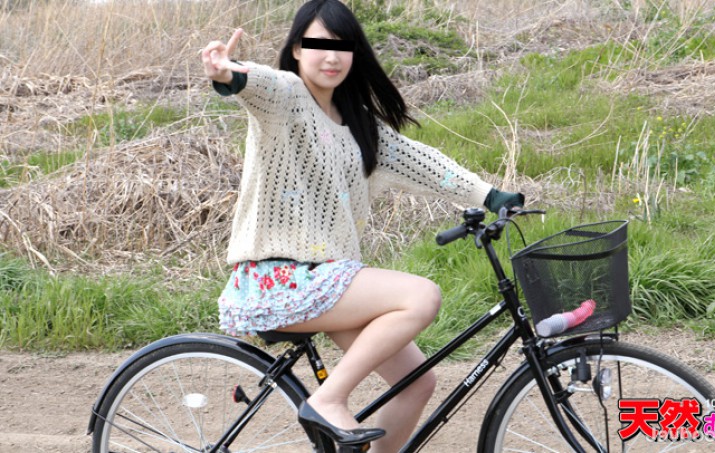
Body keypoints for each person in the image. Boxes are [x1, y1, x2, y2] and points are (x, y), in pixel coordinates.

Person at [201, 1, 523, 451]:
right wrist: (226, 73)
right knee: (422, 295)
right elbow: (256, 83)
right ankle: (327, 400)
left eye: (343, 47)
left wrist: (490, 196)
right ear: (296, 49)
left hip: (328, 280)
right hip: (280, 277)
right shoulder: (287, 97)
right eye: (319, 44)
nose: (332, 57)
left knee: (417, 382)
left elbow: (424, 163)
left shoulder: (359, 126)